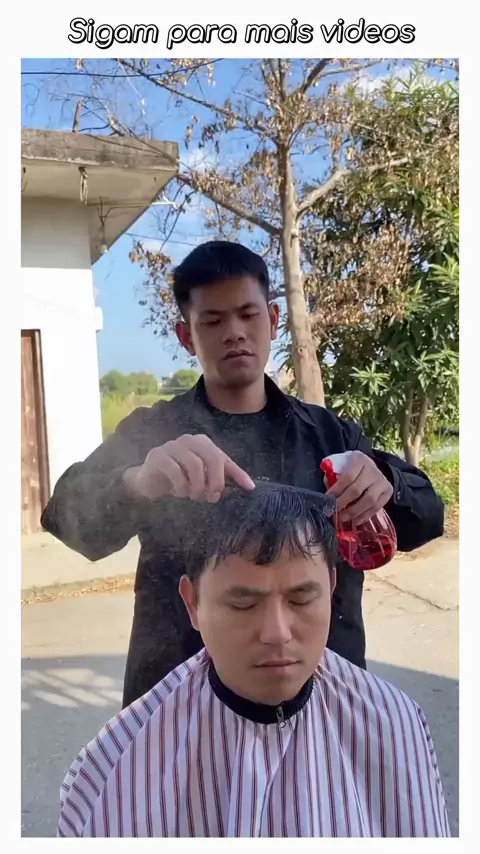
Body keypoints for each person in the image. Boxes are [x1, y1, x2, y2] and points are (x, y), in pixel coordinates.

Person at [41, 241, 444, 708]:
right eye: (212, 321)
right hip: (180, 704)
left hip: (321, 700)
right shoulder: (151, 433)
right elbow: (63, 516)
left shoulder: (331, 437)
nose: (234, 333)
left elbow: (427, 516)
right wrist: (138, 481)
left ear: (273, 319)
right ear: (186, 335)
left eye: (248, 315)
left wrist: (386, 483)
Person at [57, 484, 450, 838]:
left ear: (330, 589)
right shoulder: (113, 765)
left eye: (301, 598)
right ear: (192, 603)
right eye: (243, 603)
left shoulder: (394, 722)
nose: (276, 633)